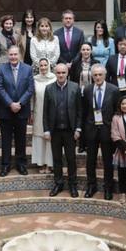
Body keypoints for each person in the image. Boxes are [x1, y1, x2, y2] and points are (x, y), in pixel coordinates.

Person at [43, 62, 82, 198]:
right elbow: (45, 112)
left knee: (71, 159)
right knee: (57, 159)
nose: (60, 75)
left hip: (70, 131)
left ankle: (72, 185)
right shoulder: (49, 89)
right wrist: (46, 130)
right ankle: (58, 183)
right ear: (55, 73)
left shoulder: (75, 88)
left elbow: (79, 111)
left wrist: (78, 128)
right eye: (58, 73)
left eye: (63, 72)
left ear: (67, 73)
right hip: (55, 132)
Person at [0, 45, 34, 176]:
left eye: (15, 54)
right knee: (5, 140)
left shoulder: (28, 69)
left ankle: (21, 164)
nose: (13, 57)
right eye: (11, 55)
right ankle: (5, 165)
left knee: (21, 139)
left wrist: (20, 103)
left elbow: (30, 89)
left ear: (20, 55)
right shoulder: (1, 69)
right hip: (6, 111)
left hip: (22, 111)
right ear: (7, 55)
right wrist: (10, 103)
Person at [81, 64, 118, 199]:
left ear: (105, 75)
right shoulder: (88, 89)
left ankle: (108, 188)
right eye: (95, 75)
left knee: (108, 161)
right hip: (91, 130)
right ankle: (91, 186)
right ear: (92, 76)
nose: (97, 77)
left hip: (107, 130)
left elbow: (116, 111)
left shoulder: (113, 90)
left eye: (100, 74)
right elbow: (85, 111)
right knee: (90, 161)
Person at [31, 58, 56, 173]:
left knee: (50, 138)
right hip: (38, 111)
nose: (43, 67)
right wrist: (31, 112)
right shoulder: (34, 79)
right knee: (39, 136)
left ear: (49, 65)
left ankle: (50, 164)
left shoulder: (54, 78)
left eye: (45, 65)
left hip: (52, 113)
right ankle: (40, 163)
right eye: (41, 65)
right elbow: (32, 97)